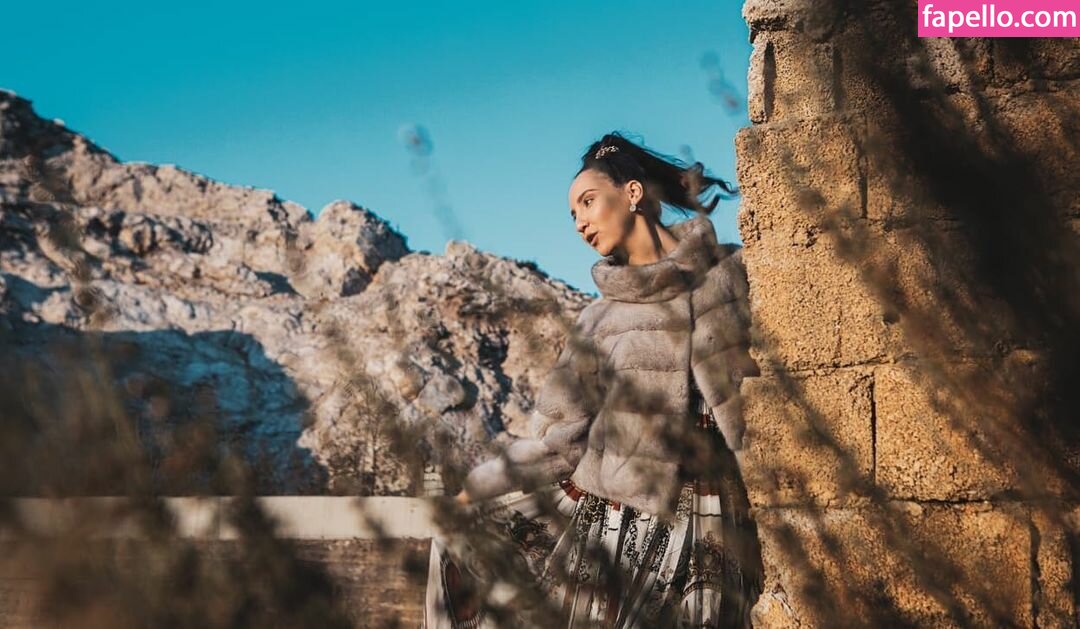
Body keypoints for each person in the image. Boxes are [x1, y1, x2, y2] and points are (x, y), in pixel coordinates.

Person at [425, 131, 764, 628]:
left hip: (711, 517)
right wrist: (475, 490)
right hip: (621, 522)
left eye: (587, 202)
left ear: (632, 193)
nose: (580, 222)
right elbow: (559, 439)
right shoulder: (597, 322)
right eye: (572, 214)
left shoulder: (731, 275)